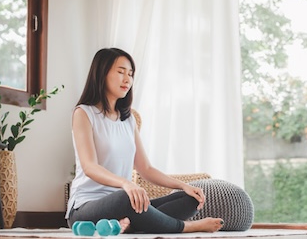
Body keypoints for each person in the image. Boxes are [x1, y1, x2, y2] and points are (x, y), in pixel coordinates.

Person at [65, 48, 224, 234]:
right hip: (86, 207)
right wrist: (126, 184)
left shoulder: (128, 119)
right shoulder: (84, 113)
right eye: (120, 72)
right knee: (126, 198)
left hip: (126, 204)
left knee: (191, 199)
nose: (127, 79)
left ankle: (129, 225)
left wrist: (183, 186)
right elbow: (89, 167)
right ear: (102, 73)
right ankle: (185, 227)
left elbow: (145, 169)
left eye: (130, 74)